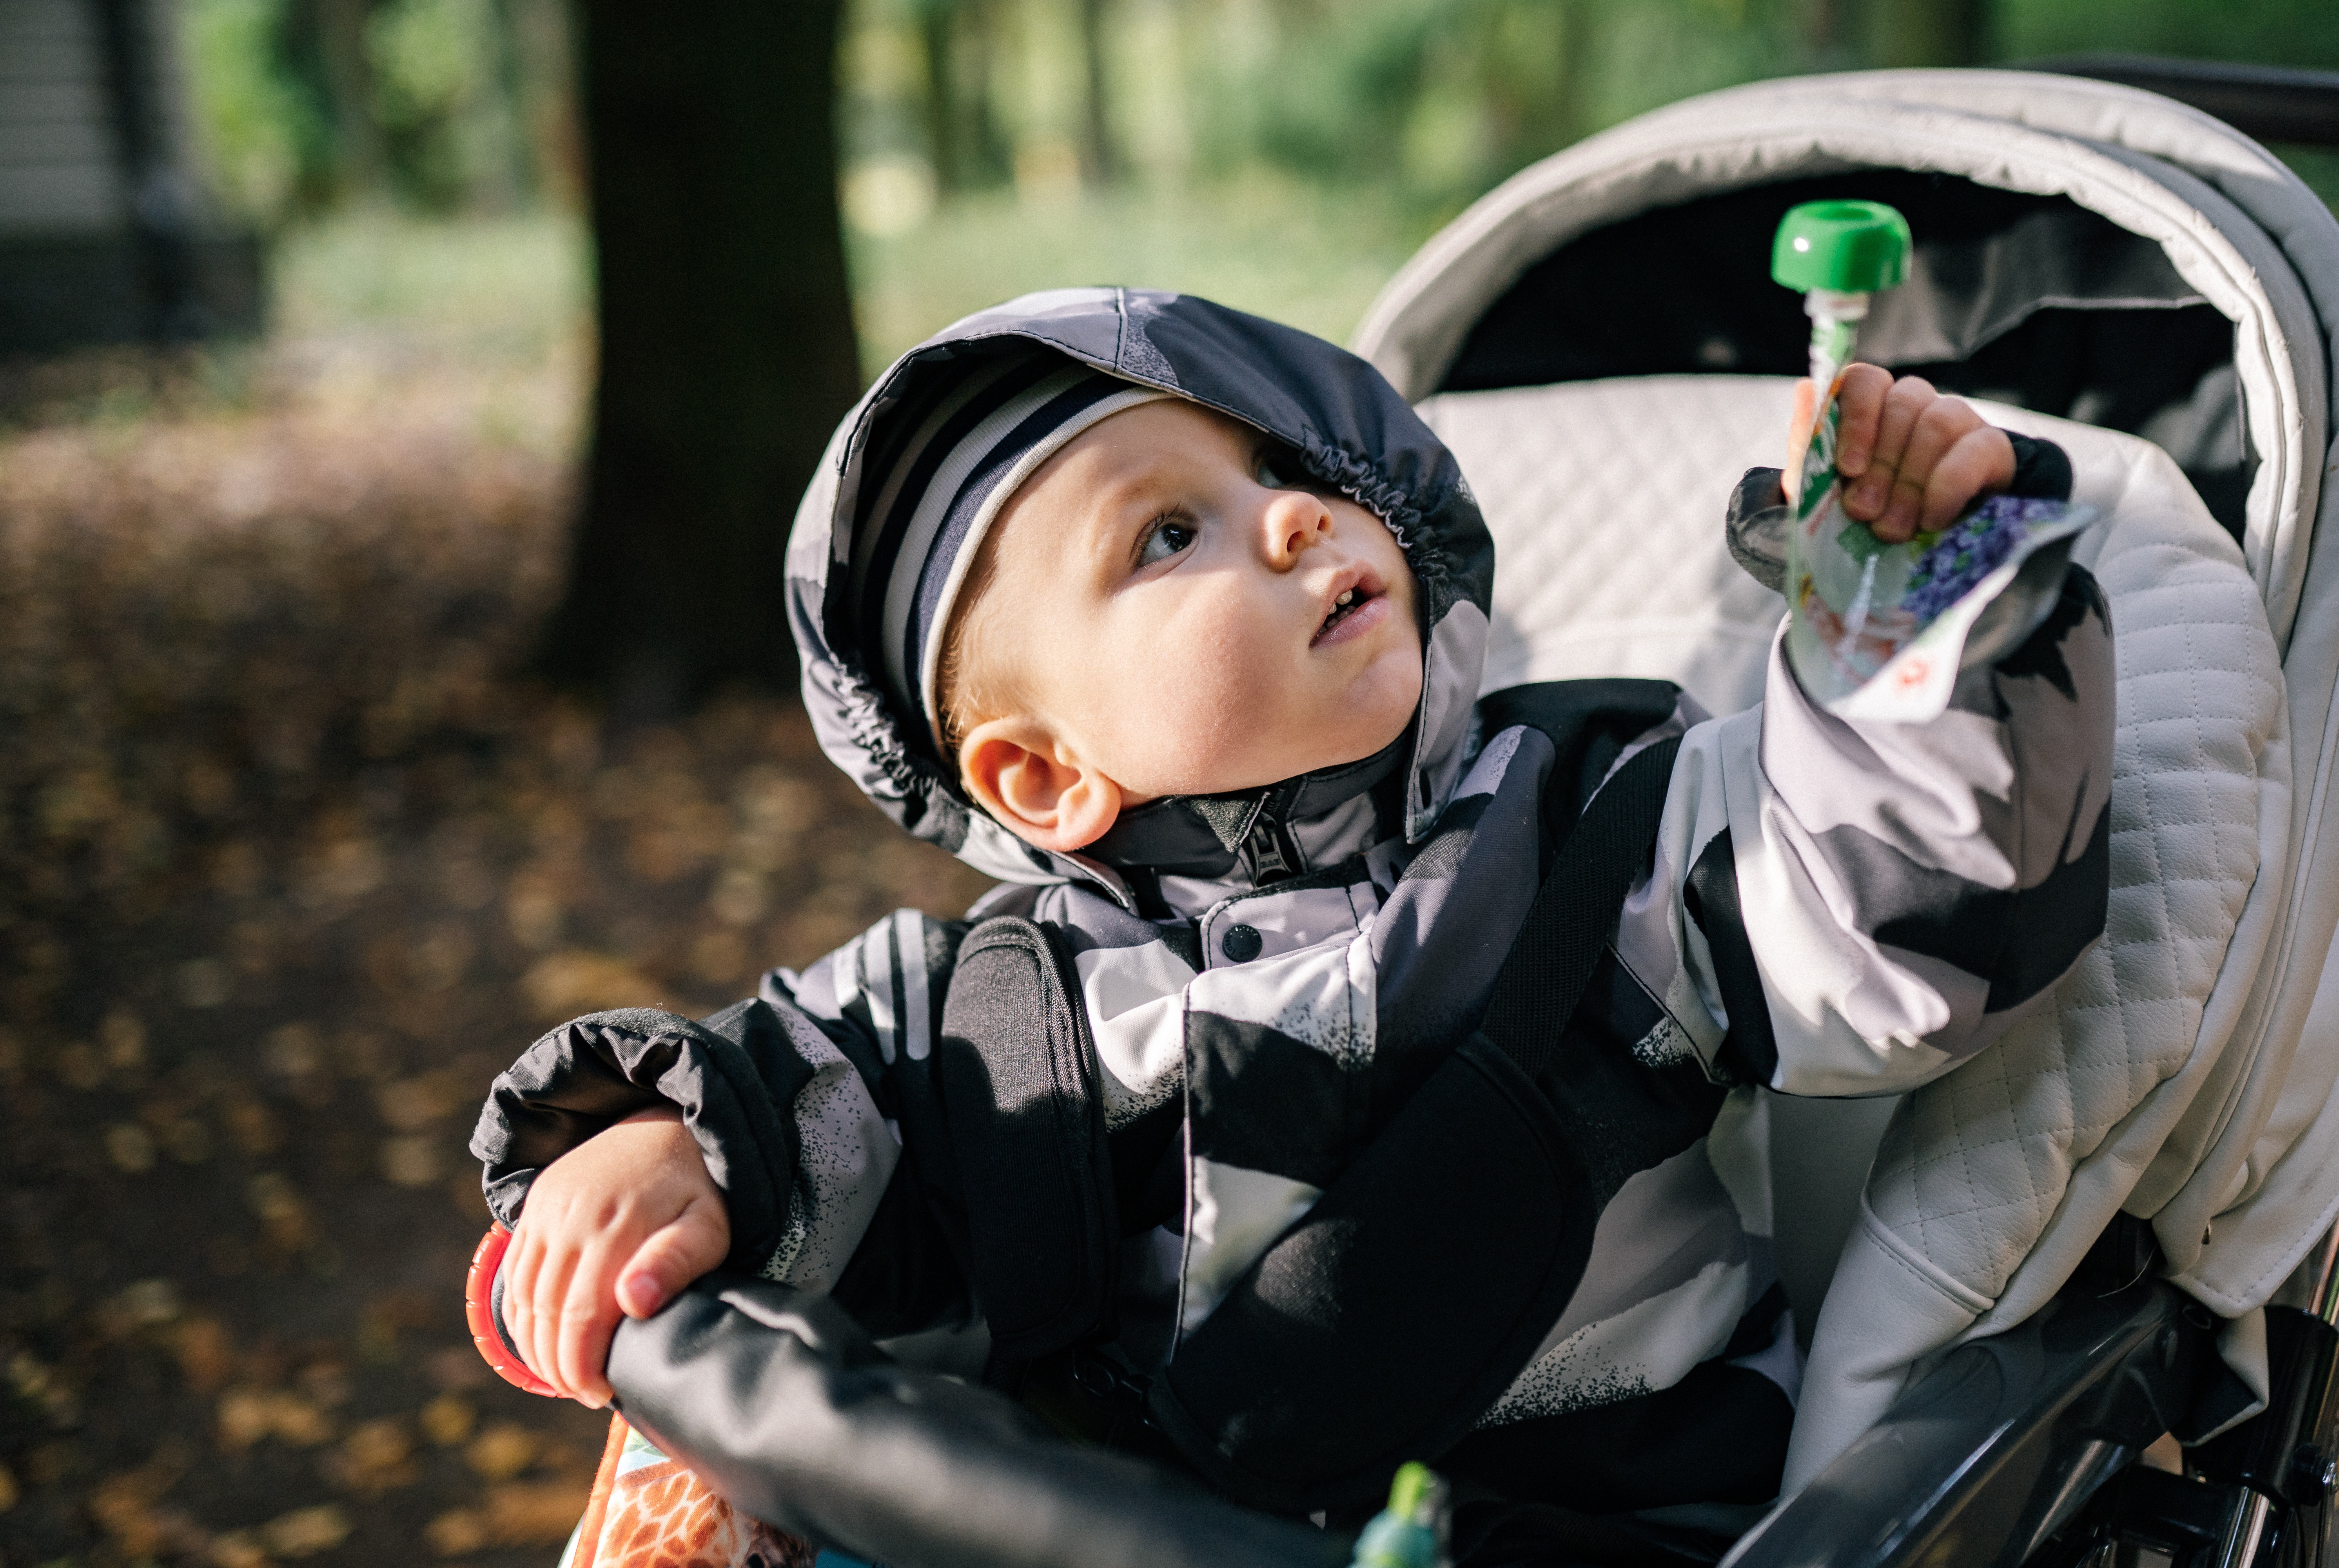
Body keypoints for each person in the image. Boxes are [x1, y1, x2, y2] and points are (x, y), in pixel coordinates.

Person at [470, 290, 2111, 1566]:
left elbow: (1901, 909)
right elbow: (779, 1084)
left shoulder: (1602, 826)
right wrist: (650, 1143)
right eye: (1168, 534)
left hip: (1580, 1519)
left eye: (1279, 467)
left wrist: (1916, 611)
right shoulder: (988, 1007)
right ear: (1044, 775)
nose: (1297, 516)